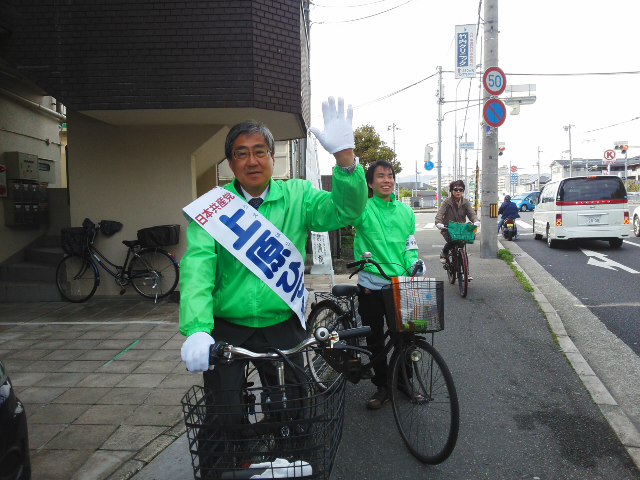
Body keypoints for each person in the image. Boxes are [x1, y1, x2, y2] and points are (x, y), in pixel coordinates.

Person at [179, 96, 367, 472]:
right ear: (230, 163)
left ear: (271, 156)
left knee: (294, 410)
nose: (252, 160)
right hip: (229, 327)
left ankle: (292, 462)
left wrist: (346, 161)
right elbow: (197, 267)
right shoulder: (214, 208)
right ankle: (235, 463)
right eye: (242, 153)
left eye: (260, 151)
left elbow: (346, 211)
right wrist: (197, 330)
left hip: (283, 322)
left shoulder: (297, 195)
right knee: (225, 414)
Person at [352, 160, 425, 409]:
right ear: (370, 183)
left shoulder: (406, 212)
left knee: (407, 336)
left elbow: (409, 245)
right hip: (371, 283)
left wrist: (414, 263)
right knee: (374, 338)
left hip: (401, 283)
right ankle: (382, 386)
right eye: (380, 176)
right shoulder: (362, 209)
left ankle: (404, 381)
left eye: (390, 175)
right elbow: (345, 209)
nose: (387, 180)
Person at [435, 180, 480, 263]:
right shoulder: (447, 202)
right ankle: (444, 252)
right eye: (456, 189)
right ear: (451, 191)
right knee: (452, 241)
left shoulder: (466, 202)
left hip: (461, 228)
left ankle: (463, 270)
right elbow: (440, 214)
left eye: (461, 190)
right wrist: (439, 223)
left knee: (462, 243)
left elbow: (471, 214)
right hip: (448, 228)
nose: (458, 191)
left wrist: (476, 221)